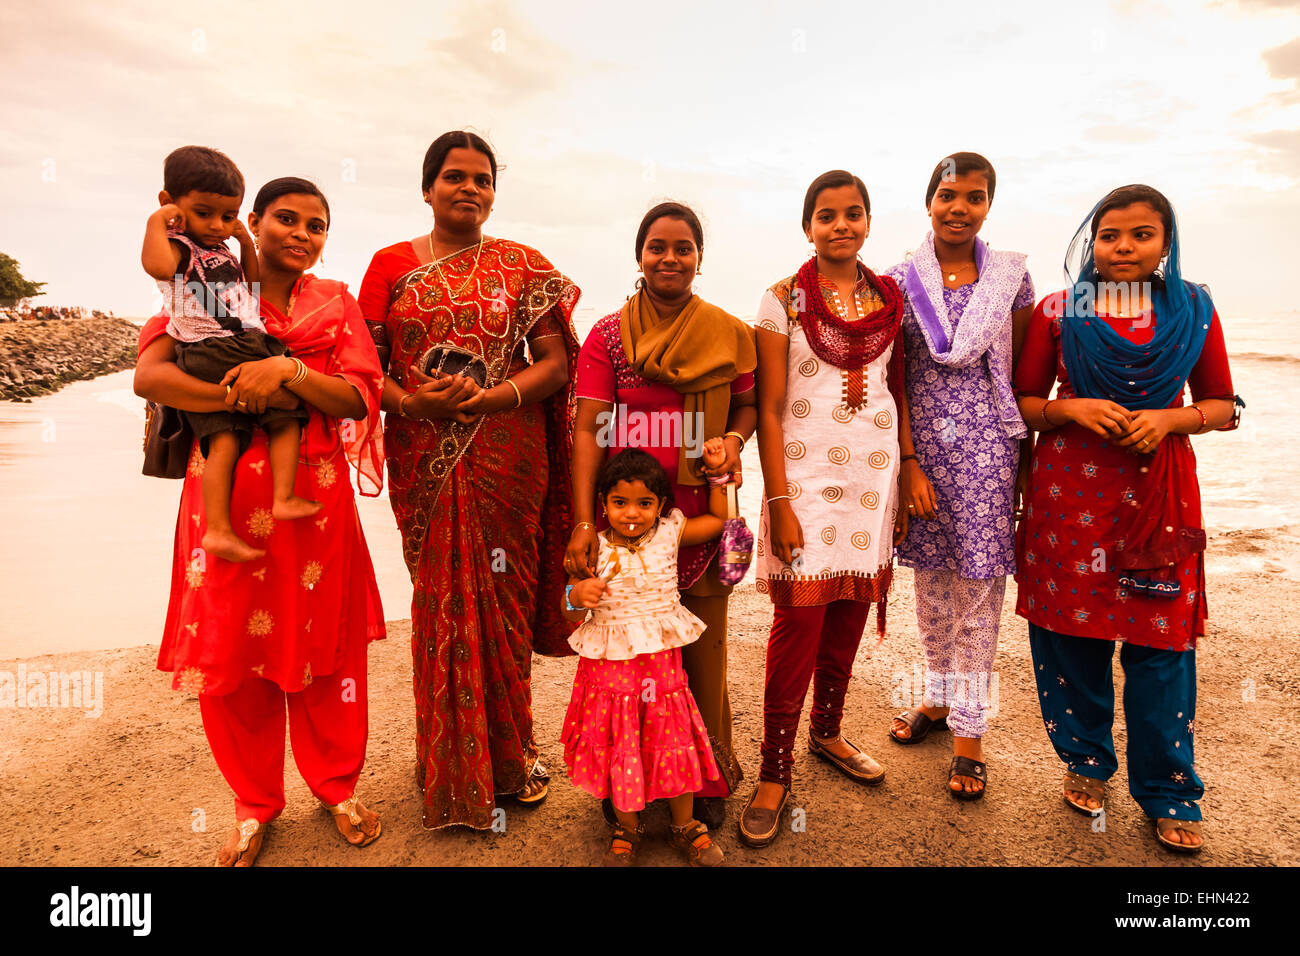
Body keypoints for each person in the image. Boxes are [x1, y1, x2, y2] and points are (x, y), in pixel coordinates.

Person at [134, 176, 387, 866]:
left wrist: (288, 374)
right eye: (286, 219)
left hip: (313, 500)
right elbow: (151, 378)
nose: (302, 234)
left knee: (326, 648)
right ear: (253, 222)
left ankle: (337, 788)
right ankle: (253, 805)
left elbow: (360, 398)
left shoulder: (336, 303)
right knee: (233, 652)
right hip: (225, 504)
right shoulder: (203, 287)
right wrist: (237, 391)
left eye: (317, 225)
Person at [358, 131, 581, 830]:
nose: (469, 188)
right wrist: (411, 403)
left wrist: (495, 398)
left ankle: (512, 760)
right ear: (427, 188)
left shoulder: (522, 265)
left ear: (493, 191)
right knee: (441, 603)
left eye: (482, 179)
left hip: (507, 457)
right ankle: (450, 764)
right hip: (424, 456)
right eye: (454, 177)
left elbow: (554, 362)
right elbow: (363, 366)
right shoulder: (389, 265)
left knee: (504, 606)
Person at [1014, 184, 1240, 853]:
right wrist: (1073, 410)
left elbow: (1224, 404)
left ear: (1165, 242)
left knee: (1160, 644)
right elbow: (1024, 401)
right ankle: (1086, 760)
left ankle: (1169, 789)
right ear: (1093, 242)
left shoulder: (1192, 307)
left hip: (1156, 496)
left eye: (1142, 234)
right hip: (1070, 501)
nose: (1123, 247)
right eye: (1110, 235)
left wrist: (1171, 419)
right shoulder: (1062, 310)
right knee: (1073, 637)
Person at [567, 201, 757, 830]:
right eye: (657, 247)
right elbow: (591, 430)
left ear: (700, 257)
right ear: (638, 255)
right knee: (622, 664)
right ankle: (624, 785)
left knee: (700, 659)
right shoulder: (607, 335)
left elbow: (747, 411)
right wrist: (583, 520)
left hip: (695, 516)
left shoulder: (730, 332)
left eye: (682, 247)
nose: (669, 258)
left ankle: (702, 783)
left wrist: (731, 443)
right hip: (626, 518)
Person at [739, 170, 905, 849]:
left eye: (853, 213)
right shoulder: (782, 299)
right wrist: (777, 499)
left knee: (849, 614)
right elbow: (772, 408)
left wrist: (907, 474)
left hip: (873, 478)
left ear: (868, 222)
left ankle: (828, 733)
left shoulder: (890, 301)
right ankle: (774, 772)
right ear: (808, 225)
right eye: (827, 214)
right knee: (797, 623)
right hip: (804, 482)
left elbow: (902, 391)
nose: (841, 225)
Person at [885, 152, 1036, 800]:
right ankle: (940, 702)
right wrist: (908, 462)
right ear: (929, 201)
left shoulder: (1010, 282)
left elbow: (1026, 377)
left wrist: (1026, 470)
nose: (959, 207)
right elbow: (895, 380)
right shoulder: (899, 281)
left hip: (988, 457)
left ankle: (970, 736)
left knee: (978, 598)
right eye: (948, 194)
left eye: (974, 197)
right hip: (926, 460)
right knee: (931, 594)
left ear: (987, 207)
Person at [140, 146, 317, 564]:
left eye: (227, 216)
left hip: (248, 341)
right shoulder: (178, 247)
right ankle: (218, 530)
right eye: (205, 214)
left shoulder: (221, 247)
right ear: (170, 204)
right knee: (223, 440)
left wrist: (243, 242)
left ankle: (284, 496)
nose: (217, 225)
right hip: (207, 347)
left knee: (287, 418)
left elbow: (250, 287)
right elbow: (155, 266)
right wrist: (157, 221)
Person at [562, 446, 732, 866]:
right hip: (612, 679)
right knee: (621, 744)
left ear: (661, 507)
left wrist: (718, 478)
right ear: (603, 504)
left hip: (663, 674)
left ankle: (685, 824)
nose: (631, 513)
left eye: (644, 503)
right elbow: (566, 605)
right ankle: (628, 825)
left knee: (671, 741)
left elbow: (719, 521)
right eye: (619, 503)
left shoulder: (670, 534)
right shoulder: (594, 549)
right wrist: (577, 593)